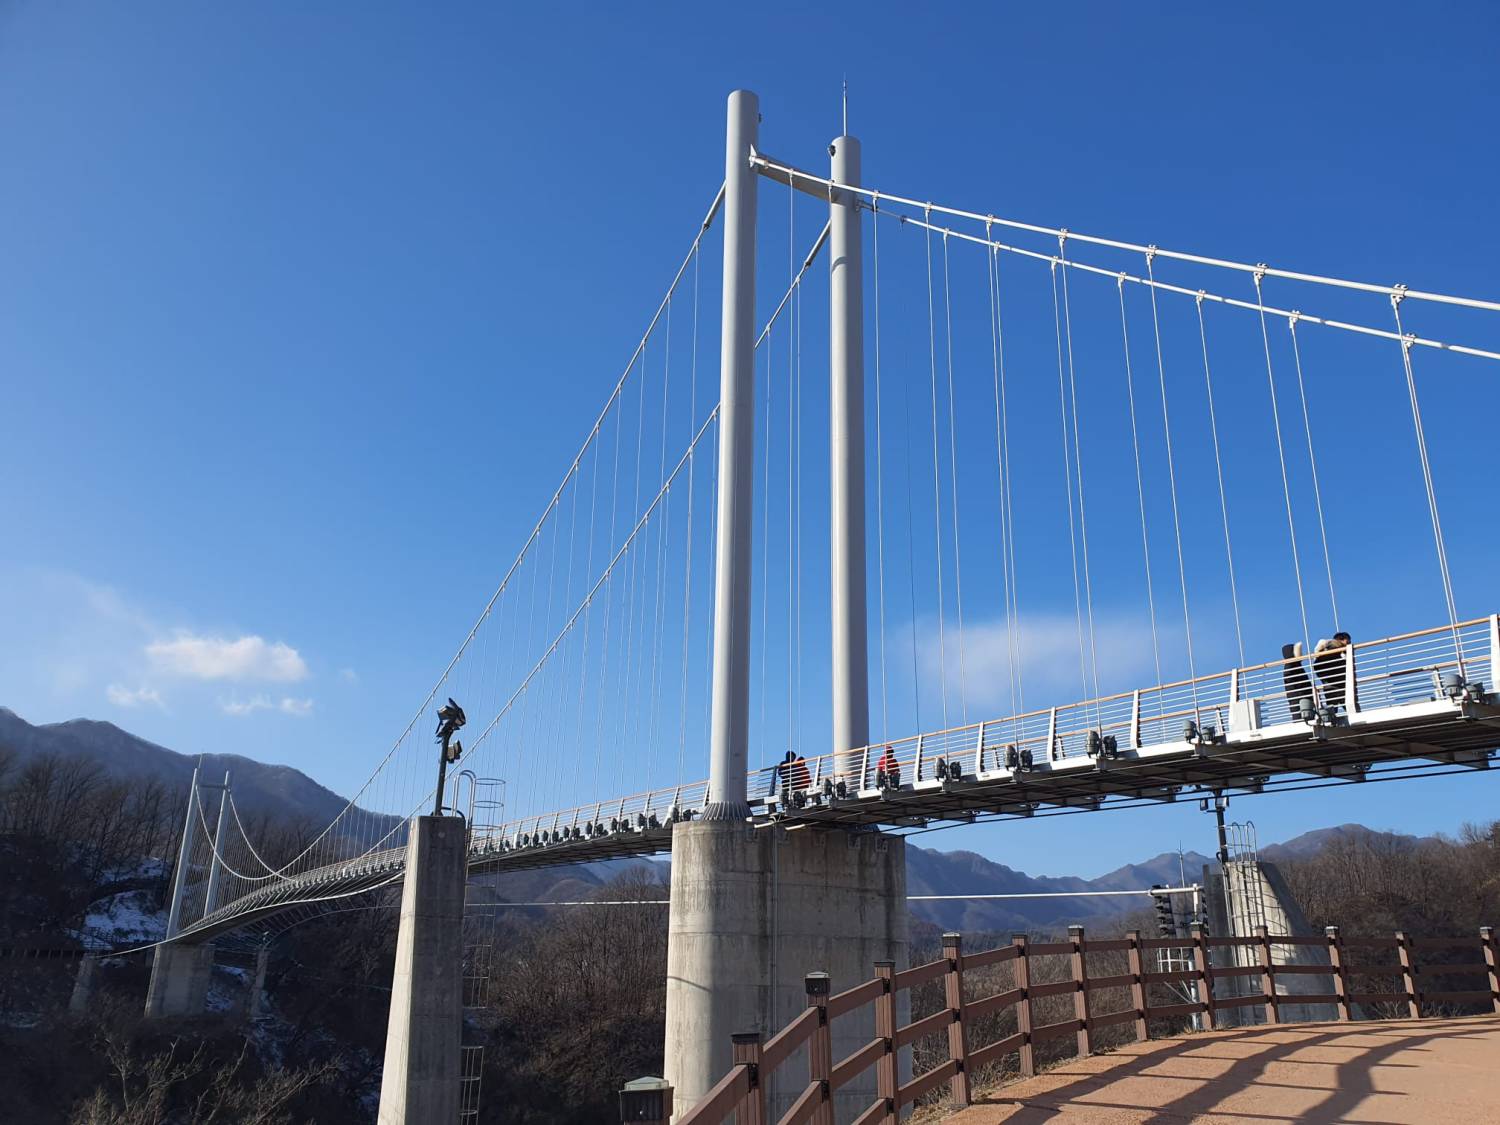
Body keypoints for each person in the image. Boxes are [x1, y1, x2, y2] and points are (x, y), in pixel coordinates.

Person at [1313, 631, 1353, 712]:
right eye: (1348, 641)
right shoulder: (1335, 650)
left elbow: (1317, 668)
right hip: (1339, 687)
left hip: (1330, 686)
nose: (1349, 644)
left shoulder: (1327, 652)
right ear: (1343, 640)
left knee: (1332, 714)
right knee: (1352, 711)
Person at [1281, 641, 1314, 718]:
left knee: (1303, 718)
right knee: (1301, 719)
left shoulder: (1295, 665)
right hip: (1300, 700)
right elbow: (1294, 683)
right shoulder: (1291, 665)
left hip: (1301, 699)